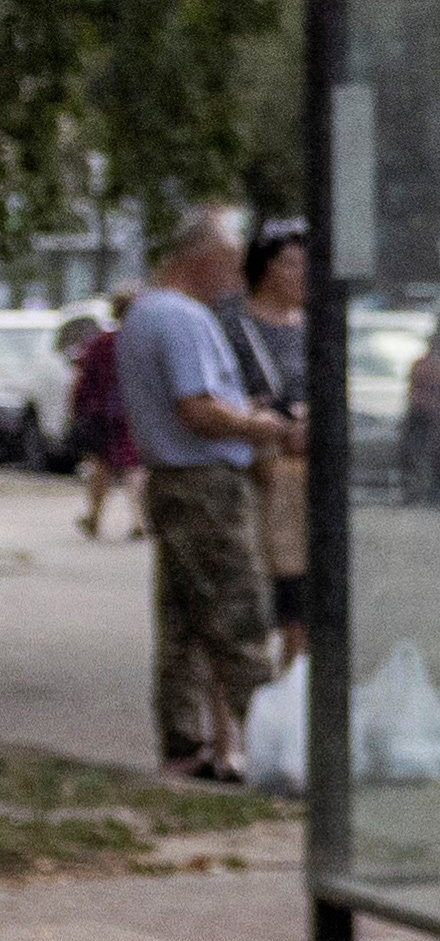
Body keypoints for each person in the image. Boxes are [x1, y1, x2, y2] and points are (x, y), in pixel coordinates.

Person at [119, 207, 295, 784]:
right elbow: (195, 407)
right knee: (237, 616)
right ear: (203, 258)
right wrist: (255, 427)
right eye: (229, 258)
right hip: (205, 483)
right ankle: (275, 751)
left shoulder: (144, 312)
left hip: (170, 478)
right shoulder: (182, 318)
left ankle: (183, 743)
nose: (238, 271)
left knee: (182, 622)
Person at [227, 221, 310, 676]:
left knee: (303, 596)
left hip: (305, 474)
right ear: (266, 268)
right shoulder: (236, 327)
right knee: (258, 593)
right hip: (260, 475)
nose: (304, 274)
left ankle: (294, 694)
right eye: (292, 263)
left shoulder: (314, 326)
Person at [61, 302, 122, 536]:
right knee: (134, 467)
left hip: (102, 412)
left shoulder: (100, 343)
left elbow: (81, 379)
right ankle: (139, 519)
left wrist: (75, 410)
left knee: (101, 464)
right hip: (129, 413)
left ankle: (94, 518)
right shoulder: (135, 342)